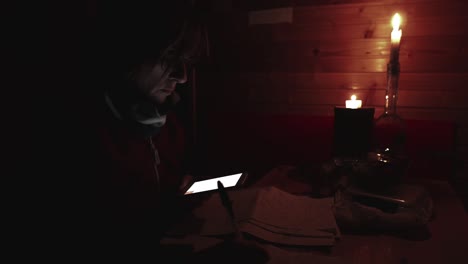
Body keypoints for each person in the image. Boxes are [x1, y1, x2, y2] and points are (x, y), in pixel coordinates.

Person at [75, 0, 268, 262]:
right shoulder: (84, 138)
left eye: (186, 61)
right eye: (168, 58)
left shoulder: (170, 128)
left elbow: (160, 202)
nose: (182, 76)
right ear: (126, 51)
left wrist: (183, 197)